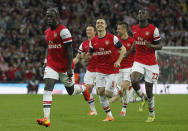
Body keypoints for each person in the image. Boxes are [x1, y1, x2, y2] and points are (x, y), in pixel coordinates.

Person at [36, 8, 89, 127]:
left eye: (51, 16)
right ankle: (46, 118)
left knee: (71, 91)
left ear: (57, 17)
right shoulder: (47, 32)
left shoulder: (64, 31)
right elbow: (48, 47)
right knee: (48, 87)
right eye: (47, 16)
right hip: (52, 65)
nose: (49, 19)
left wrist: (69, 68)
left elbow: (69, 50)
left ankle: (84, 88)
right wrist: (45, 61)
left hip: (65, 67)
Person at [89, 18, 126, 121]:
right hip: (100, 70)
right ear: (96, 26)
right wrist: (85, 56)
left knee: (108, 94)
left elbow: (123, 49)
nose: (99, 24)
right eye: (98, 23)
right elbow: (90, 53)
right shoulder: (93, 41)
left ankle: (119, 90)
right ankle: (109, 116)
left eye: (102, 23)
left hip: (112, 71)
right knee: (100, 92)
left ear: (105, 26)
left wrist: (118, 61)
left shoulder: (112, 38)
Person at [131, 8, 162, 122]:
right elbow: (135, 42)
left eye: (143, 13)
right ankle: (142, 97)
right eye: (139, 13)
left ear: (147, 15)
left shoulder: (154, 30)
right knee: (134, 80)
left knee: (149, 89)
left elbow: (160, 46)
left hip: (151, 63)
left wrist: (152, 46)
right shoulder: (134, 28)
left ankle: (151, 112)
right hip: (138, 60)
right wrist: (129, 53)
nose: (140, 14)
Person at [108, 22, 135, 117]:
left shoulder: (132, 41)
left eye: (119, 29)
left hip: (129, 68)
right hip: (118, 69)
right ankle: (125, 103)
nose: (117, 30)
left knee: (124, 85)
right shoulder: (116, 40)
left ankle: (123, 108)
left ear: (124, 30)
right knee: (124, 90)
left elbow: (136, 54)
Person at [73, 25, 97, 116]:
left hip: (101, 70)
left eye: (90, 30)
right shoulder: (83, 44)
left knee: (102, 92)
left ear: (95, 32)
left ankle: (118, 89)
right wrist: (69, 66)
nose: (88, 32)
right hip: (90, 70)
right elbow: (77, 58)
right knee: (86, 89)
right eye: (87, 30)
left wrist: (86, 56)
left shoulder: (99, 41)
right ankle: (93, 110)